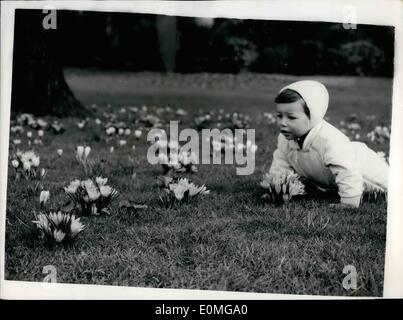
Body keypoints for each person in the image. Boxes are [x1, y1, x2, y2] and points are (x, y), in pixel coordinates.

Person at [269, 80, 388, 207]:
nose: (282, 122)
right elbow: (280, 166)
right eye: (279, 116)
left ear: (312, 117)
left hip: (368, 173)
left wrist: (349, 202)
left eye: (291, 117)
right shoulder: (284, 139)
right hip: (335, 179)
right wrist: (278, 191)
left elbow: (348, 172)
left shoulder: (329, 140)